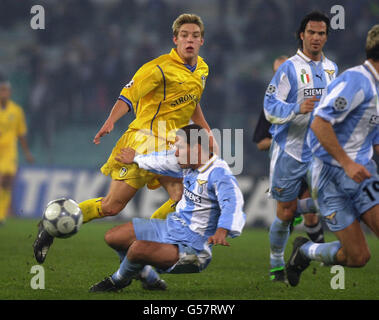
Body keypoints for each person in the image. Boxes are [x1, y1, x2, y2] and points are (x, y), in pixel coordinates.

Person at [33, 14, 216, 274]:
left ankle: (147, 248)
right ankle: (51, 226)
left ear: (201, 40)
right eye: (184, 35)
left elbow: (193, 103)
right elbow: (128, 95)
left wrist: (206, 132)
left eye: (195, 36)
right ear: (175, 40)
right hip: (144, 141)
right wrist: (110, 120)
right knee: (111, 206)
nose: (190, 39)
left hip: (172, 145)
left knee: (183, 196)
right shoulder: (157, 68)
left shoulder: (203, 69)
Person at [89, 124, 246, 292]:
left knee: (137, 249)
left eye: (179, 148)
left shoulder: (218, 173)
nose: (176, 153)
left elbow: (232, 202)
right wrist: (136, 158)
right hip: (172, 227)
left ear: (197, 148)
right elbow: (163, 160)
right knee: (113, 237)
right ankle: (150, 279)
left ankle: (117, 281)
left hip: (193, 247)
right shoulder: (188, 163)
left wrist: (223, 229)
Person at [286, 24, 379, 287]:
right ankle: (305, 250)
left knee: (358, 257)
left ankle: (303, 251)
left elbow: (374, 136)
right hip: (330, 175)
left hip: (362, 174)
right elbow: (319, 123)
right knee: (358, 256)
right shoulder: (357, 81)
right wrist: (347, 163)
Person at [263, 11, 338, 282]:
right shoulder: (288, 68)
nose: (316, 38)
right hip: (289, 151)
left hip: (319, 151)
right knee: (285, 212)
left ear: (326, 37)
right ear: (301, 35)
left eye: (321, 33)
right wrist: (296, 108)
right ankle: (276, 265)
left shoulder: (332, 69)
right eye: (311, 32)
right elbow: (270, 107)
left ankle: (307, 248)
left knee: (335, 201)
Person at [0, 78, 34, 225]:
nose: (3, 93)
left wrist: (27, 153)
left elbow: (21, 134)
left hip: (9, 152)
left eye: (5, 90)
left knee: (7, 181)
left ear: (10, 92)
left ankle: (1, 215)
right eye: (1, 90)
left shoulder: (17, 111)